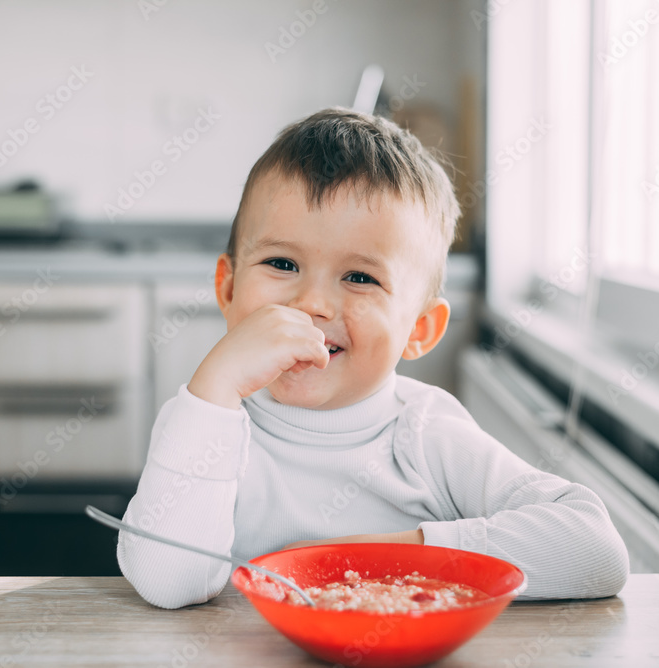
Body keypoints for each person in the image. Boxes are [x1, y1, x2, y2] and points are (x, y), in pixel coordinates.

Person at [118, 107, 629, 609]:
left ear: (419, 330)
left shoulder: (427, 434)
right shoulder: (206, 420)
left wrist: (377, 557)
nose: (313, 304)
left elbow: (595, 547)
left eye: (360, 277)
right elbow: (169, 583)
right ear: (227, 289)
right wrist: (218, 382)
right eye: (282, 263)